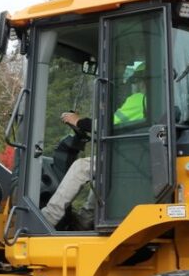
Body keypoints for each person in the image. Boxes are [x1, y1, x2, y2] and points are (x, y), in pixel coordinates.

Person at [41, 60, 148, 226]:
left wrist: (79, 121)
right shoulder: (153, 103)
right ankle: (85, 221)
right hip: (138, 158)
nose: (137, 85)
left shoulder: (140, 99)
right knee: (101, 175)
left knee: (81, 167)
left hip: (130, 160)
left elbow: (108, 125)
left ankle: (47, 218)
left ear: (144, 81)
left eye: (138, 81)